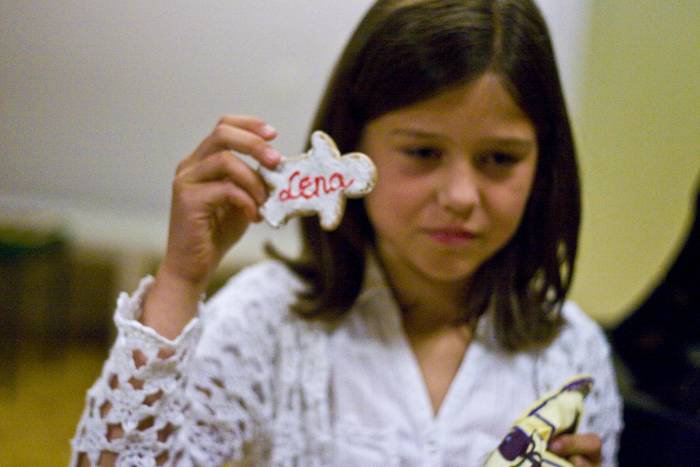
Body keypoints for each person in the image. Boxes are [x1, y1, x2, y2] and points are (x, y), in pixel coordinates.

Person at [71, 0, 622, 465]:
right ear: (349, 146)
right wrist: (180, 279)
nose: (460, 196)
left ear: (544, 165)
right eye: (423, 152)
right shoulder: (266, 324)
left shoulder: (569, 353)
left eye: (500, 159)